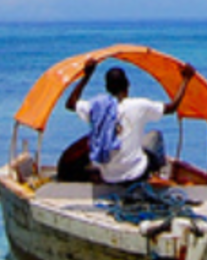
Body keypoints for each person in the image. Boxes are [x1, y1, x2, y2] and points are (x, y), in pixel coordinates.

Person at [66, 58, 197, 183]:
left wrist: (87, 75)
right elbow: (172, 107)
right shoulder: (139, 105)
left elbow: (70, 103)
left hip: (109, 176)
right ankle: (157, 175)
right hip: (136, 172)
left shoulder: (98, 107)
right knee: (155, 136)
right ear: (128, 85)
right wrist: (186, 79)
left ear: (107, 88)